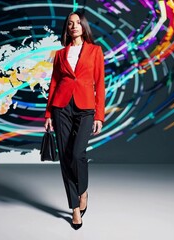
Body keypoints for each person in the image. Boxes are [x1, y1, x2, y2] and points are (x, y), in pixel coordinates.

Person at [44, 10, 105, 230]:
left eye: (78, 22)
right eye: (70, 23)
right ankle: (75, 209)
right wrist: (49, 113)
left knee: (77, 153)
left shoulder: (95, 51)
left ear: (84, 26)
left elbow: (100, 84)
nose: (74, 26)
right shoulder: (60, 54)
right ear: (67, 28)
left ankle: (83, 191)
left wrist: (99, 115)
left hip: (86, 107)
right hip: (61, 107)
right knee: (65, 157)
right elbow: (53, 84)